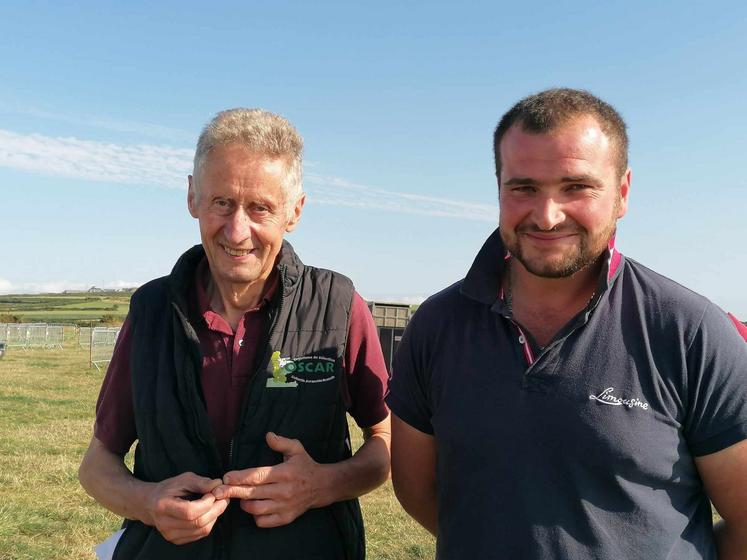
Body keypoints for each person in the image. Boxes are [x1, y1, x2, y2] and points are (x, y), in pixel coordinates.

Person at [387, 88, 747, 559]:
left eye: (576, 187)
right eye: (524, 188)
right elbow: (419, 493)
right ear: (498, 188)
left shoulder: (689, 330)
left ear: (622, 192)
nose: (547, 215)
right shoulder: (437, 324)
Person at [79, 108, 391, 559]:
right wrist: (147, 503)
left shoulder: (339, 305)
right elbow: (96, 467)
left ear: (295, 211)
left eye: (260, 207)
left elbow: (385, 441)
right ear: (192, 197)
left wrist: (322, 484)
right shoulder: (150, 312)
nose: (237, 230)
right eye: (221, 202)